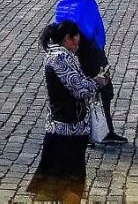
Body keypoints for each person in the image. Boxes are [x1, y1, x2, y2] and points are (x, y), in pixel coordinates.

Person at [51, 0, 125, 146]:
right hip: (89, 44)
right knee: (103, 87)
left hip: (85, 42)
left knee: (99, 86)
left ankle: (99, 130)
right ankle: (100, 131)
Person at [29, 21, 98, 203]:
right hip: (67, 130)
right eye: (77, 37)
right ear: (68, 38)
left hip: (62, 127)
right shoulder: (60, 58)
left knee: (56, 179)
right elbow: (79, 89)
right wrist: (97, 83)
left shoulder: (61, 55)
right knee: (70, 180)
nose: (79, 41)